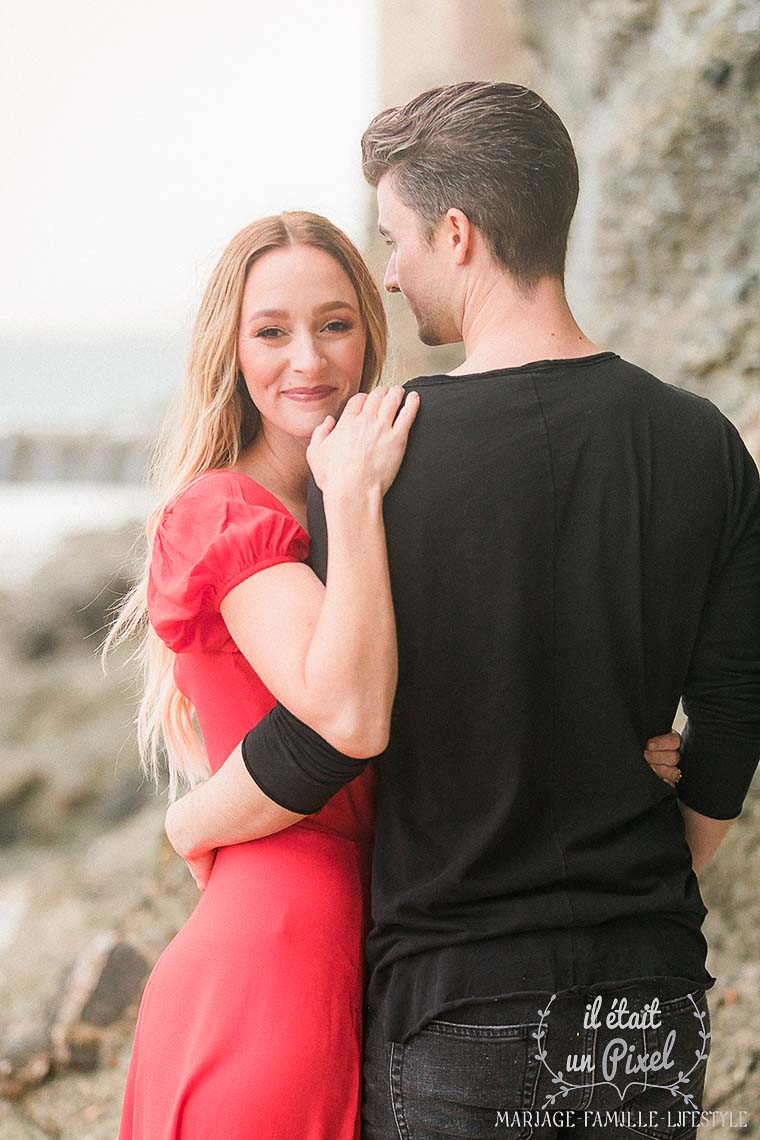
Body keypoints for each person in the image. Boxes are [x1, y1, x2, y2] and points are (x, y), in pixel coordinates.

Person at [165, 83, 760, 1139]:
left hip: (459, 998)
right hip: (652, 995)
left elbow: (334, 732)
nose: (390, 272)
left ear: (456, 231)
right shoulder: (703, 442)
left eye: (393, 239)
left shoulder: (379, 454)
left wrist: (193, 820)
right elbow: (733, 708)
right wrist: (647, 851)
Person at [108, 210, 421, 1139]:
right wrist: (354, 498)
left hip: (391, 941)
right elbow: (343, 712)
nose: (309, 361)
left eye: (334, 324)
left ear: (370, 328)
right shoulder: (222, 511)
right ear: (232, 349)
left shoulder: (396, 493)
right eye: (271, 331)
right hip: (277, 953)